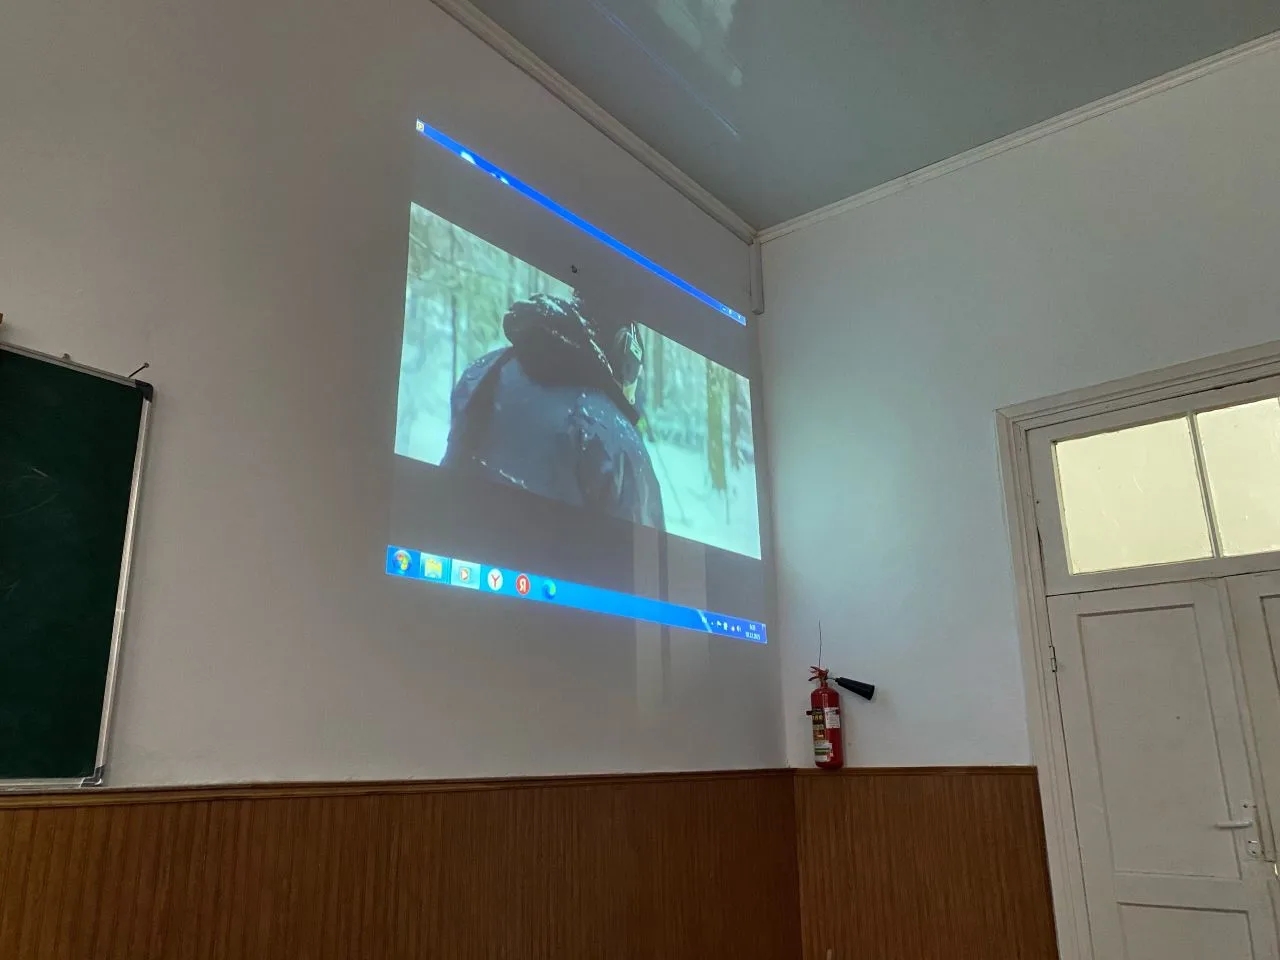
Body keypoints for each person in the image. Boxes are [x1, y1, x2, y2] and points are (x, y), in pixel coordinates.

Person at [441, 293, 665, 530]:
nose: (632, 393)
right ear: (624, 351)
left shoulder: (486, 369)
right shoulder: (614, 435)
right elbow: (647, 548)